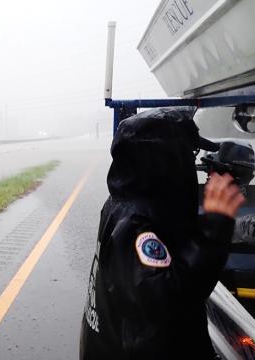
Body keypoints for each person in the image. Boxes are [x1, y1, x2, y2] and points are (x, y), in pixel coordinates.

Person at [79, 107, 245, 360]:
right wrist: (215, 227)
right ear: (166, 158)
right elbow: (170, 301)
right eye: (188, 153)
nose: (192, 163)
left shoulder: (124, 202)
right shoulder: (135, 226)